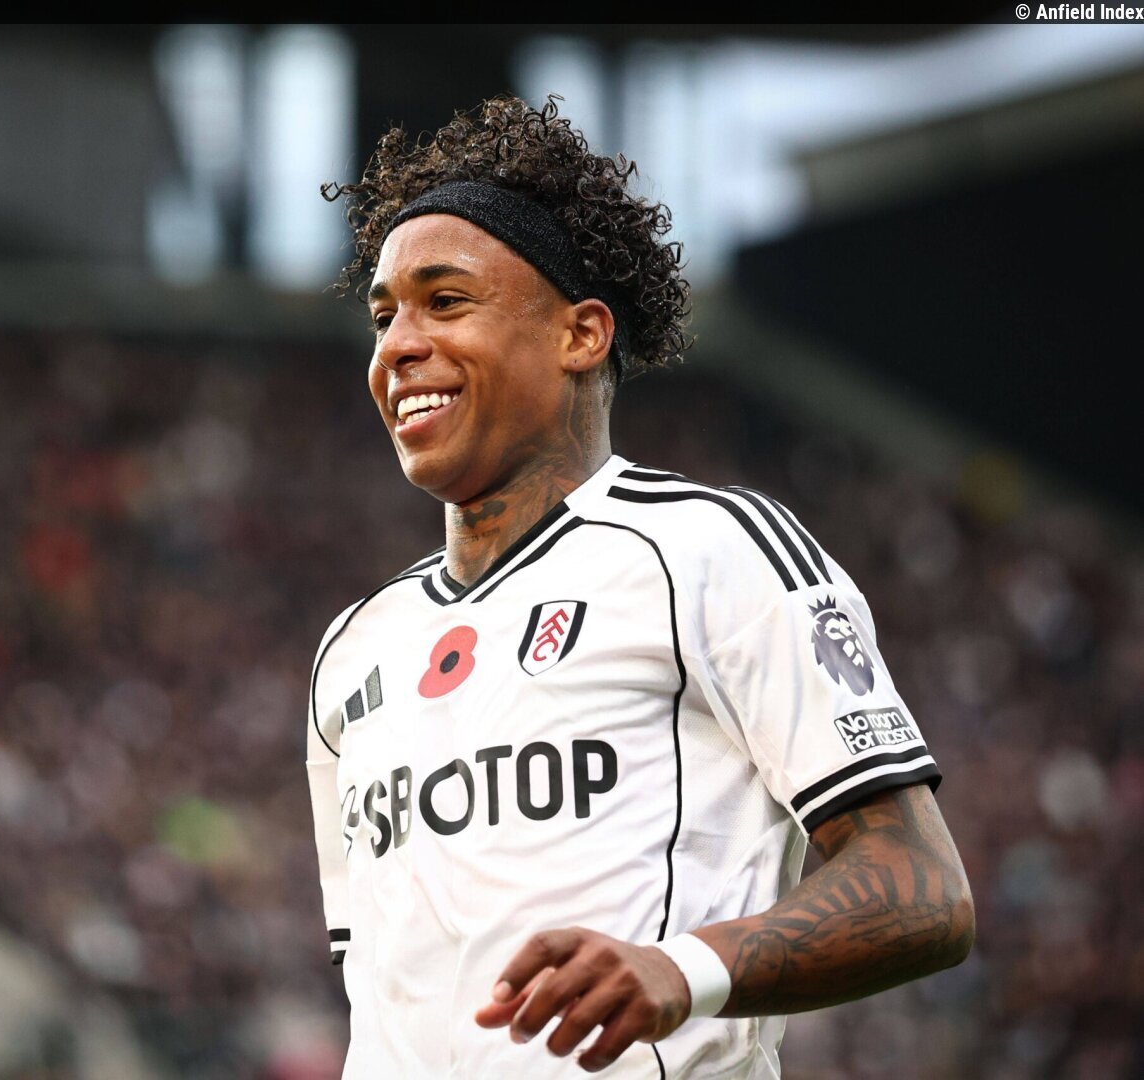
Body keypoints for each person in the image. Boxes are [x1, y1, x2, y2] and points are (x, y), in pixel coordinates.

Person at [305, 96, 974, 1078]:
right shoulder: (352, 648)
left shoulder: (708, 552)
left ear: (580, 334)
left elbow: (921, 888)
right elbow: (384, 993)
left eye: (445, 302)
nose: (396, 346)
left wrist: (682, 968)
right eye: (383, 315)